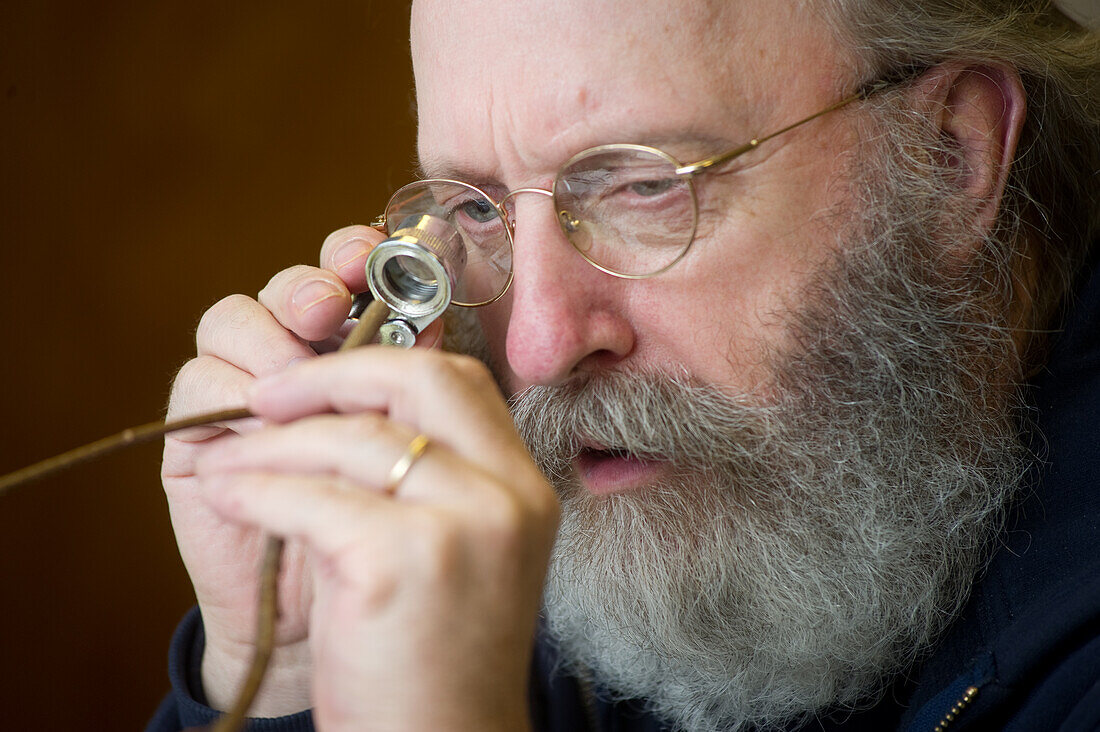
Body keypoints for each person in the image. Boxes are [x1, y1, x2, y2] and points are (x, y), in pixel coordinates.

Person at [148, 1, 1100, 730]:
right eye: (479, 211)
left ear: (948, 154)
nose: (539, 348)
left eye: (646, 189)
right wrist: (292, 675)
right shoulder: (533, 560)